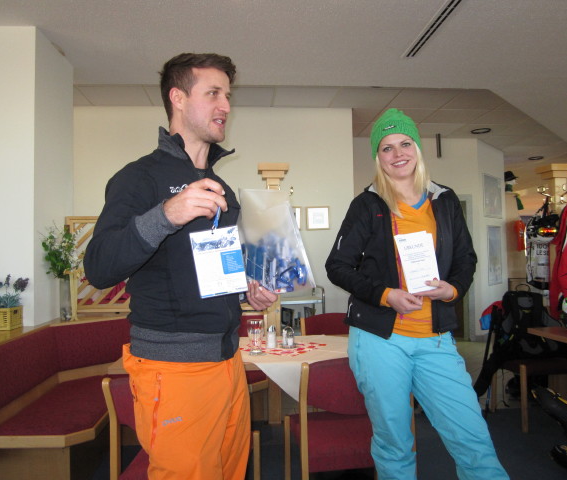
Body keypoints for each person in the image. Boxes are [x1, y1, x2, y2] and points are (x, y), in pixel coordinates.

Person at [84, 53, 277, 480]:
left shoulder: (222, 185)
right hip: (173, 370)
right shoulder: (137, 179)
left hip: (228, 361)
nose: (226, 105)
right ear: (178, 98)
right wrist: (166, 214)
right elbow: (98, 268)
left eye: (228, 94)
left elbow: (209, 266)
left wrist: (246, 287)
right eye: (213, 93)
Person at [325, 108, 508, 479]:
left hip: (436, 339)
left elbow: (466, 259)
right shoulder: (368, 204)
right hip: (381, 340)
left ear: (418, 148)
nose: (397, 154)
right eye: (387, 148)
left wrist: (453, 288)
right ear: (378, 157)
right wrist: (385, 294)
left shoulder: (444, 200)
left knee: (471, 434)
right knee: (393, 440)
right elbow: (337, 266)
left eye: (405, 144)